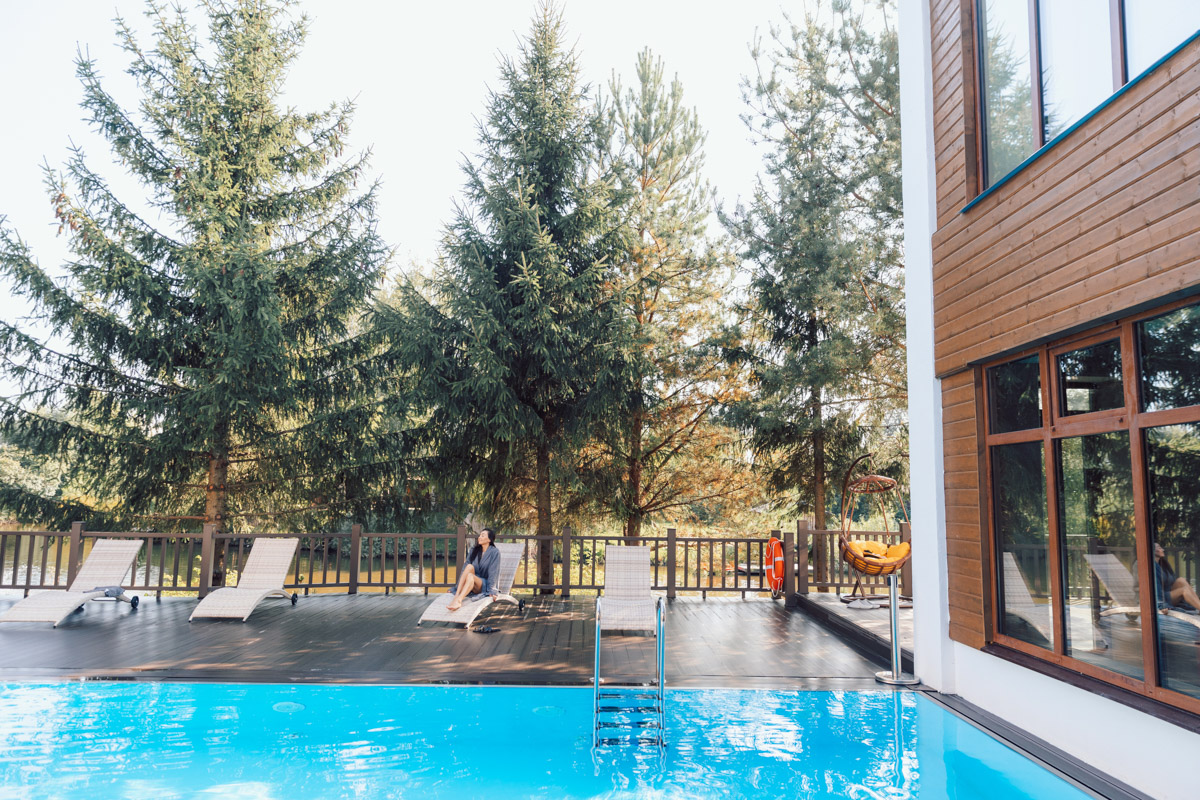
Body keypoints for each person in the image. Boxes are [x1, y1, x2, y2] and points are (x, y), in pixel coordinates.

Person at [447, 528, 501, 612]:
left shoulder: (495, 552)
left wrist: (492, 591)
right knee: (469, 566)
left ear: (489, 540)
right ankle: (457, 594)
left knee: (470, 576)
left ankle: (459, 601)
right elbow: (464, 570)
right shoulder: (474, 550)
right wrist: (457, 587)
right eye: (480, 535)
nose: (479, 537)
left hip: (483, 585)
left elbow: (493, 572)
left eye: (483, 535)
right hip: (471, 580)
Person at [1154, 542, 1200, 613]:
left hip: (1168, 593)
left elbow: (1172, 582)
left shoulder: (1162, 565)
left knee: (1181, 580)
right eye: (1159, 548)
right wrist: (1161, 605)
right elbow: (1156, 588)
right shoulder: (1153, 567)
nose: (1163, 550)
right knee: (1184, 590)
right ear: (1153, 551)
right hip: (1162, 598)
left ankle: (1198, 605)